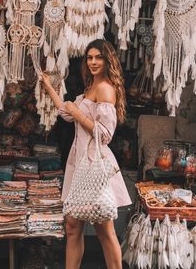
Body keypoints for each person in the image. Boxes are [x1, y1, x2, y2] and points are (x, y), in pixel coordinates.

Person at [41, 39, 132, 269]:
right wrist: (48, 86)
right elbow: (67, 113)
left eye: (98, 57)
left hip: (93, 163)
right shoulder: (91, 87)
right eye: (89, 57)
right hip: (78, 161)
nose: (92, 62)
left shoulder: (105, 89)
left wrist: (78, 113)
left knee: (104, 230)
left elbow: (104, 134)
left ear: (107, 60)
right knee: (73, 227)